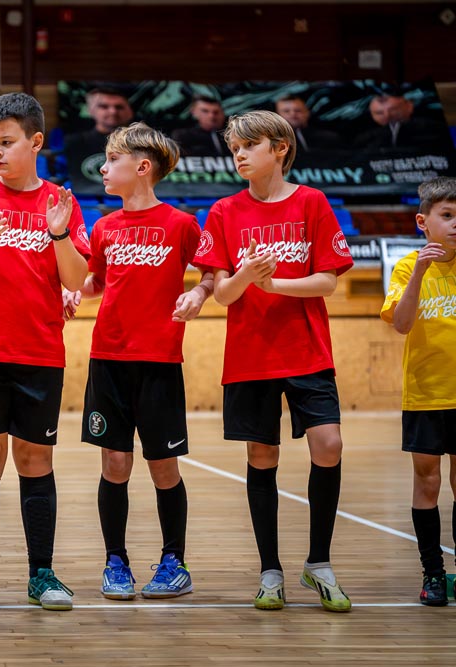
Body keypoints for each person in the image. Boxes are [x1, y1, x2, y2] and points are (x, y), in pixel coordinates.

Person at [193, 110, 354, 612]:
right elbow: (222, 293)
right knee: (262, 457)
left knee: (329, 444)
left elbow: (328, 281)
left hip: (307, 350)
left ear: (280, 148)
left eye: (249, 145)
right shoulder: (224, 211)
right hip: (251, 355)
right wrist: (246, 277)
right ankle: (270, 571)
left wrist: (272, 283)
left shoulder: (311, 202)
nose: (239, 155)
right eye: (234, 148)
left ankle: (319, 563)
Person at [0, 92, 91, 613]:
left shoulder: (60, 201)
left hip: (39, 352)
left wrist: (58, 233)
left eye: (6, 142)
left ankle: (41, 573)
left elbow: (76, 278)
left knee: (35, 459)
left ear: (36, 142)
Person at [63, 122, 213, 601]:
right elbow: (96, 281)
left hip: (159, 360)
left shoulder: (182, 224)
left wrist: (199, 294)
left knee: (163, 465)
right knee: (114, 462)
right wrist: (73, 291)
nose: (104, 169)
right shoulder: (105, 227)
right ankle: (116, 562)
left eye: (113, 160)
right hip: (108, 357)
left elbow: (212, 273)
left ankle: (174, 562)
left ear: (142, 167)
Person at [380, 176, 456, 606]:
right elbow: (402, 323)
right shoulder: (409, 267)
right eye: (447, 215)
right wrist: (422, 272)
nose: (455, 223)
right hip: (426, 394)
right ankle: (433, 573)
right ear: (423, 222)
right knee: (427, 482)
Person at [63, 86, 135, 192]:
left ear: (129, 111)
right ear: (91, 110)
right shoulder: (74, 143)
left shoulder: (141, 144)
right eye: (104, 106)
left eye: (119, 107)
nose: (113, 111)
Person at [354, 94, 445, 152]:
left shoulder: (432, 127)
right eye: (379, 113)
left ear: (409, 106)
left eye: (393, 109)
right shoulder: (366, 138)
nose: (387, 115)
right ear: (372, 115)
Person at [274, 95, 342, 153]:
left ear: (307, 113)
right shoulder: (272, 140)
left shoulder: (328, 138)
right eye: (286, 111)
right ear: (276, 115)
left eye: (298, 110)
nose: (293, 114)